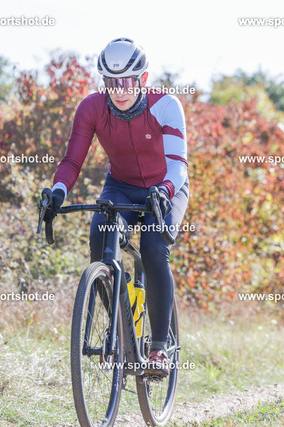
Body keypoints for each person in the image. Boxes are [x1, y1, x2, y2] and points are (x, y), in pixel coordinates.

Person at [42, 37, 189, 378]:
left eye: (126, 82)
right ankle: (119, 330)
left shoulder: (167, 105)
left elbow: (178, 166)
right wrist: (58, 192)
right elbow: (72, 161)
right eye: (111, 82)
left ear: (143, 78)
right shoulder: (91, 108)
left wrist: (165, 191)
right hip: (121, 186)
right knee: (100, 237)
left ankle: (159, 348)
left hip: (166, 186)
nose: (118, 91)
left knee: (153, 249)